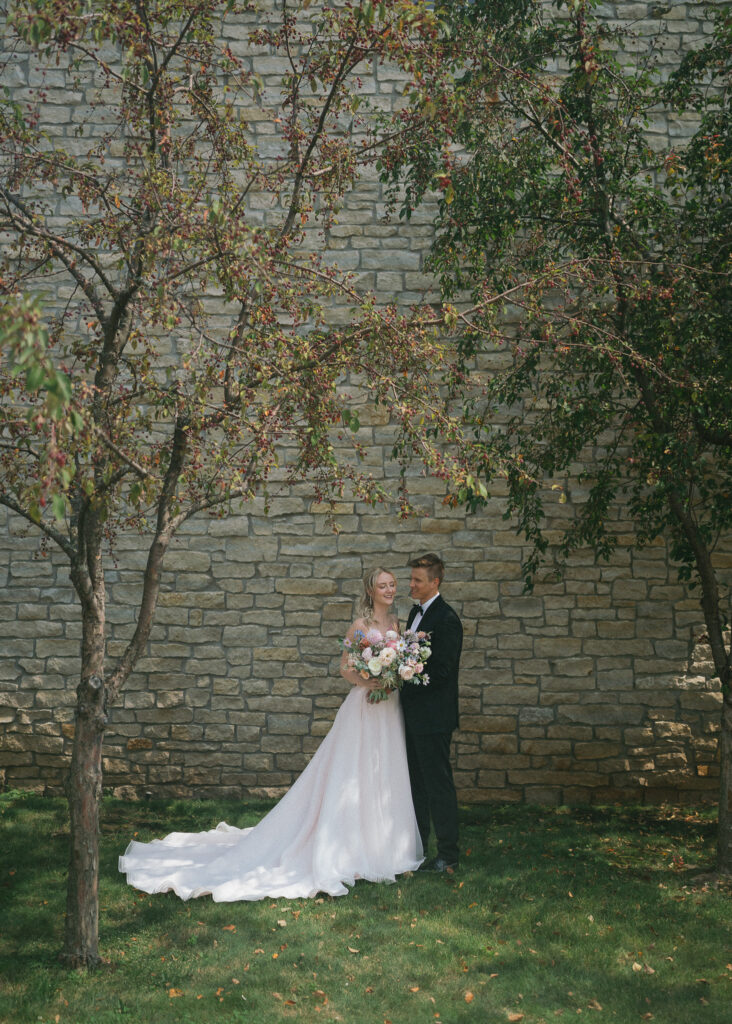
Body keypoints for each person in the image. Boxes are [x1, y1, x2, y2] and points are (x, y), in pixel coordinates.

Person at [118, 567, 423, 901]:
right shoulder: (360, 626)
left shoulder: (397, 624)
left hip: (389, 707)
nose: (390, 589)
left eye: (393, 584)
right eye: (383, 585)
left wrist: (398, 673)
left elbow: (402, 659)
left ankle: (385, 846)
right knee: (354, 770)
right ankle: (349, 846)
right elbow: (345, 668)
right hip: (365, 706)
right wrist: (370, 681)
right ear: (370, 590)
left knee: (385, 770)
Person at [402, 553, 462, 873]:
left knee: (438, 785)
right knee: (416, 785)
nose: (410, 584)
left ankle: (448, 855)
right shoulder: (415, 613)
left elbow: (442, 672)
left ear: (435, 582)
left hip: (434, 718)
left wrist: (407, 673)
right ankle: (420, 848)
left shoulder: (447, 619)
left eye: (417, 580)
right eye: (411, 579)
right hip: (411, 716)